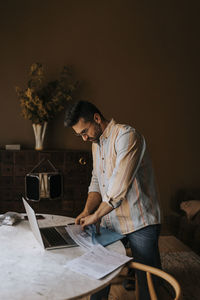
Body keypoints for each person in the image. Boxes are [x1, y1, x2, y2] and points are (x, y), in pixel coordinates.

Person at [64, 100, 161, 300]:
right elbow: (96, 182)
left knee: (148, 284)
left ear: (97, 119)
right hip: (112, 222)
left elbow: (118, 187)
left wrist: (96, 215)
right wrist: (87, 211)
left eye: (84, 131)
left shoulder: (127, 136)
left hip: (139, 222)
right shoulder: (95, 145)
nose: (83, 138)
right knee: (98, 274)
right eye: (79, 134)